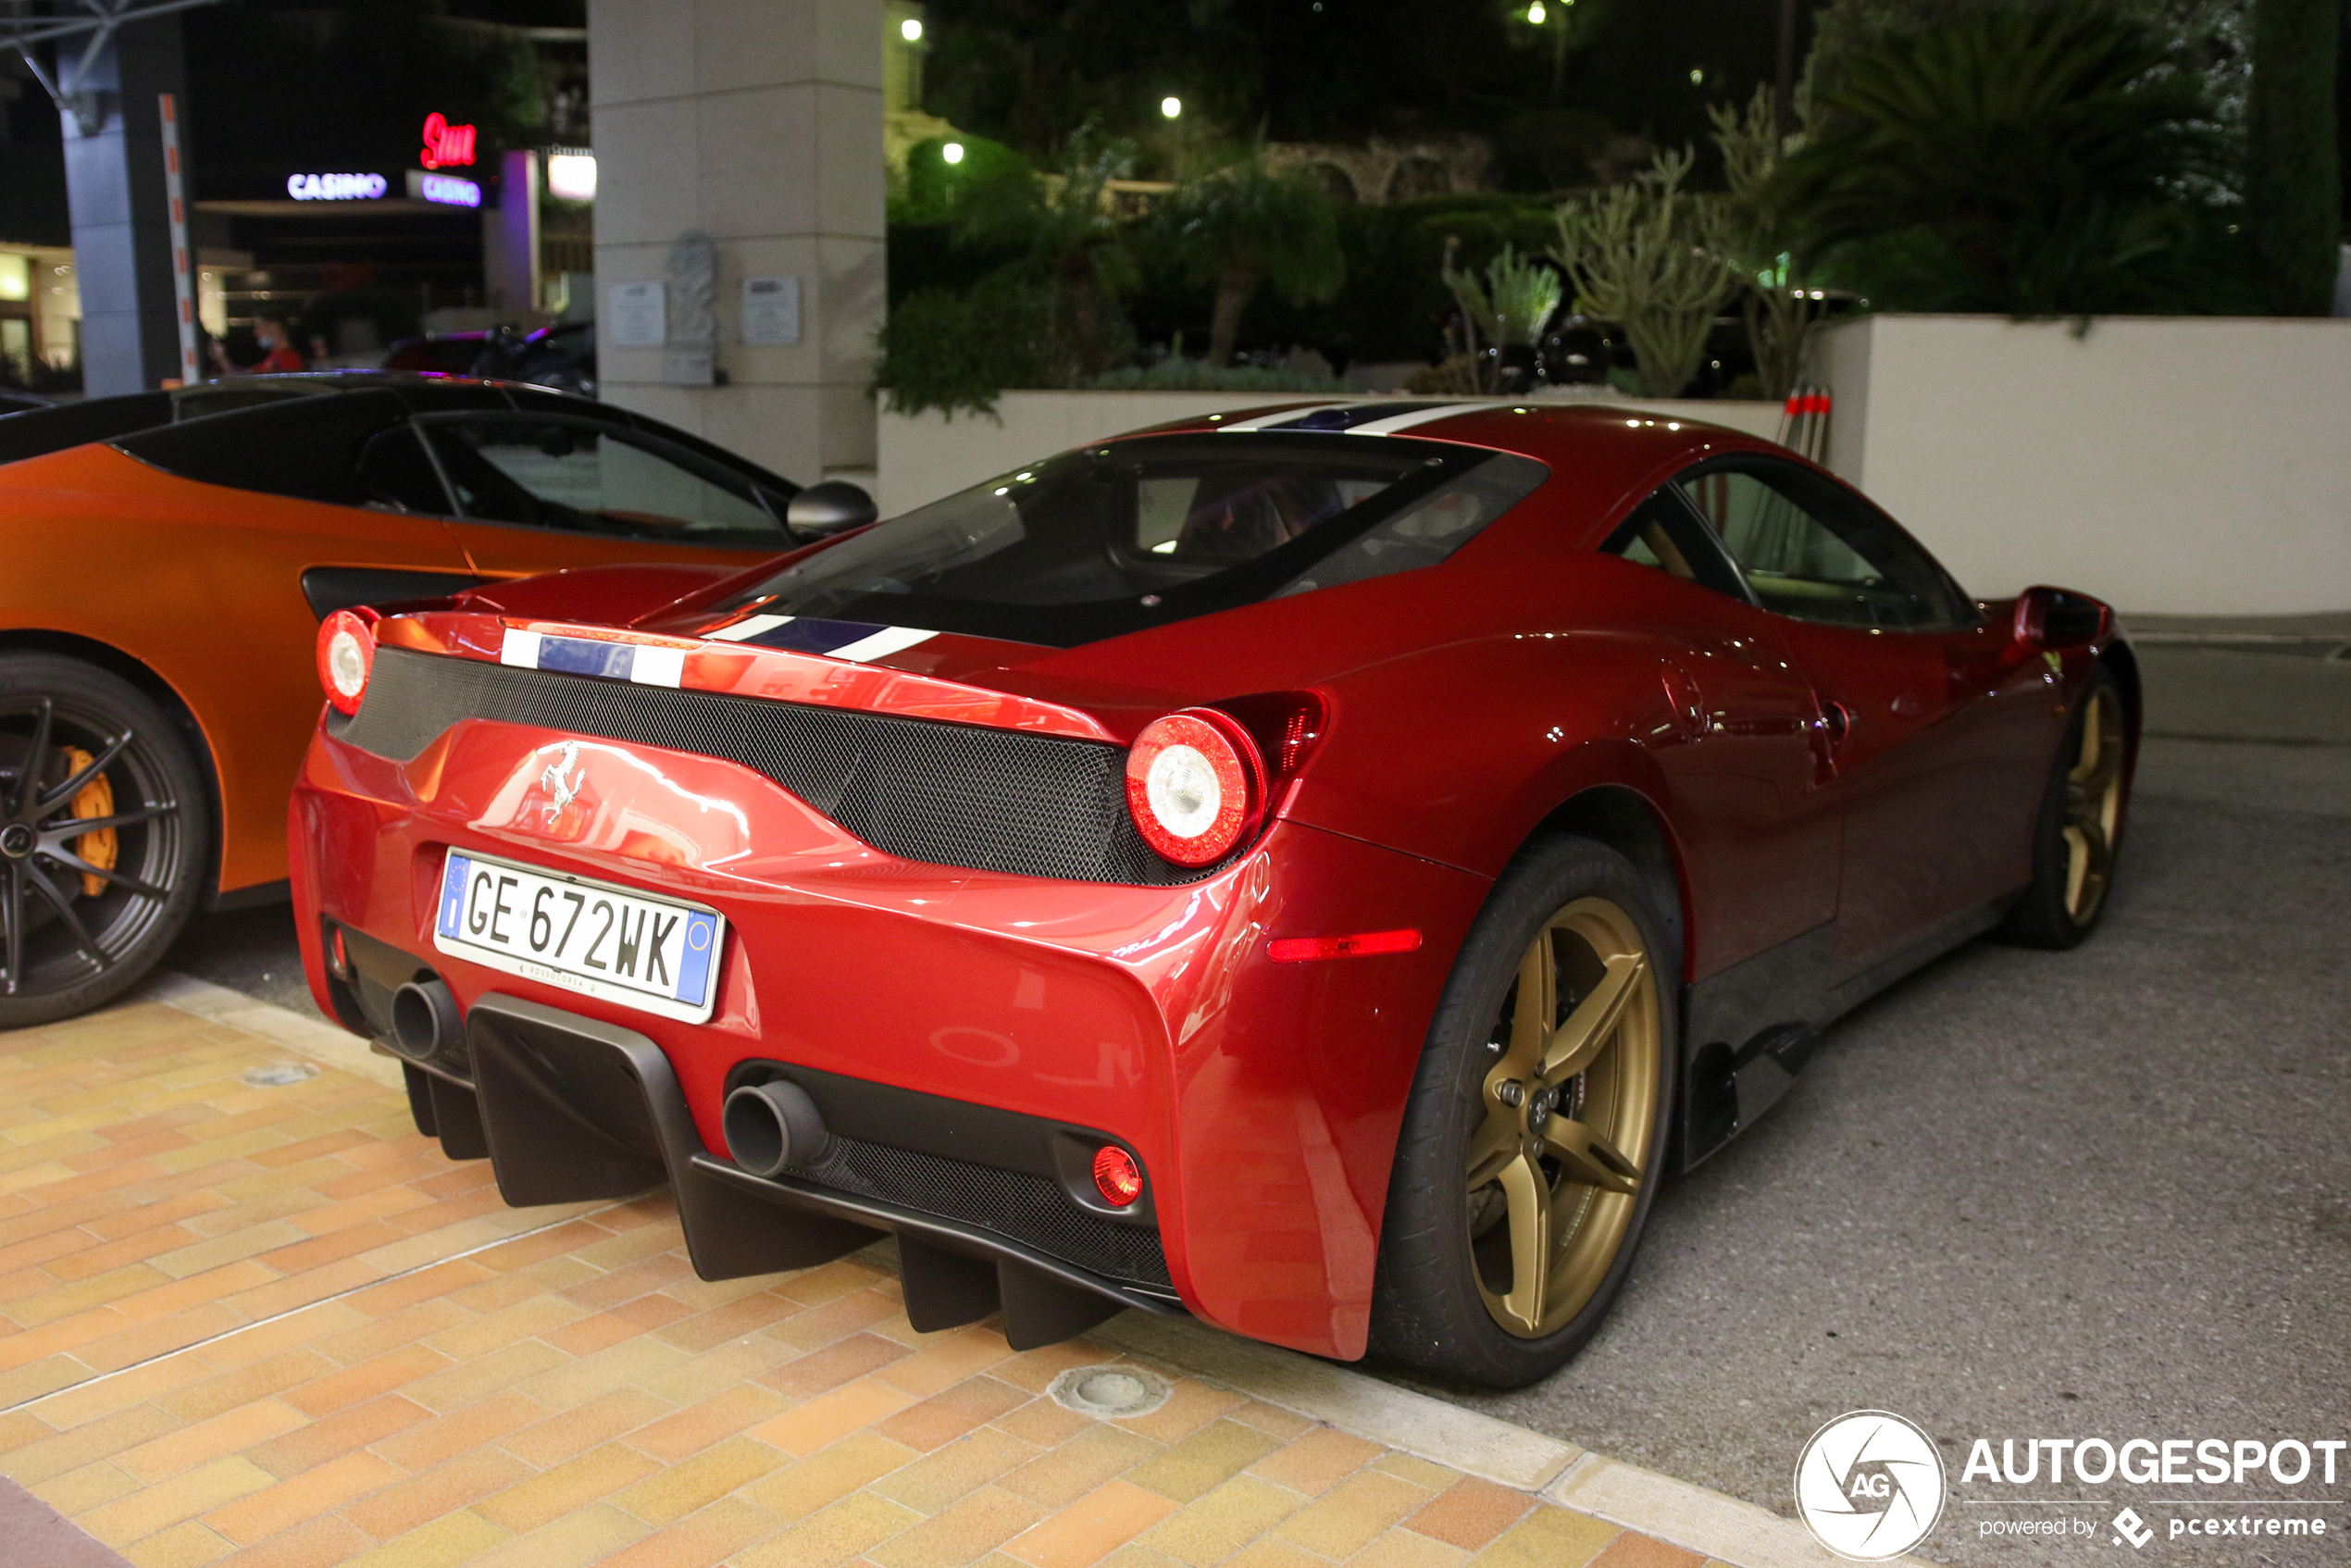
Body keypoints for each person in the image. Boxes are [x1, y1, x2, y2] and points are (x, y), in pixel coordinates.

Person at [209, 310, 305, 375]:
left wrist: (223, 360)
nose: (255, 333)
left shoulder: (289, 360)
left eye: (258, 326)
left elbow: (245, 382)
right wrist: (222, 359)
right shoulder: (275, 357)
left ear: (274, 326)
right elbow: (243, 377)